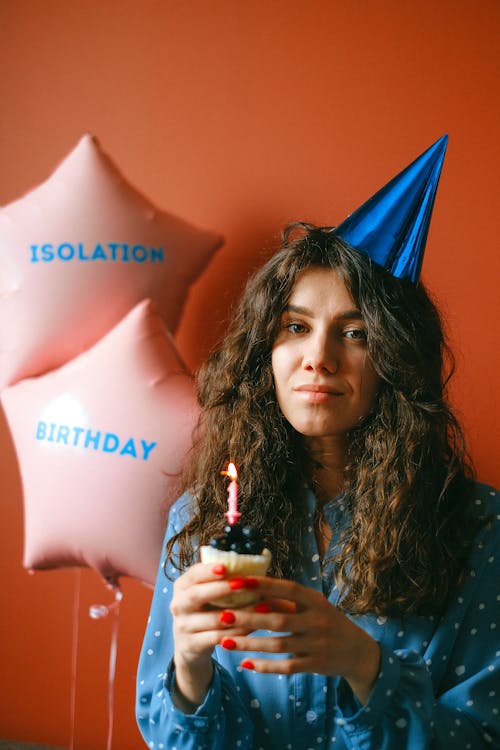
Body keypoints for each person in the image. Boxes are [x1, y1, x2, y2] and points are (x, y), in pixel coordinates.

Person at [136, 139, 499, 750]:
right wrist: (192, 673)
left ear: (394, 360)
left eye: (354, 333)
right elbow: (167, 732)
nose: (319, 359)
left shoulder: (479, 529)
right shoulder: (201, 523)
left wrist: (366, 666)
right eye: (296, 327)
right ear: (264, 355)